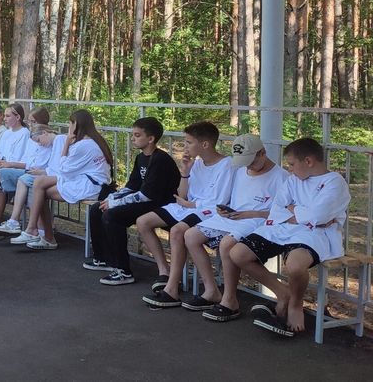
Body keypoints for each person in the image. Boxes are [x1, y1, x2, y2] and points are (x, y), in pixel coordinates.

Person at [231, 138, 351, 337]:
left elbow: (320, 216)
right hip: (284, 228)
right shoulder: (294, 179)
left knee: (294, 266)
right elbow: (278, 208)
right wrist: (304, 214)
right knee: (238, 253)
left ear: (308, 161)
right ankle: (282, 292)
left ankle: (295, 303)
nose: (289, 169)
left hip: (316, 234)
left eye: (292, 164)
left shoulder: (334, 182)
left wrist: (294, 209)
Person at [161, 135, 286, 318]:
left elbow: (281, 213)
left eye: (251, 161)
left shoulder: (281, 177)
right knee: (191, 236)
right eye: (244, 162)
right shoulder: (240, 171)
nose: (248, 166)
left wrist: (249, 214)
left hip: (257, 221)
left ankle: (230, 299)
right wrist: (223, 210)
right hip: (233, 216)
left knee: (227, 243)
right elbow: (229, 199)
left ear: (262, 153)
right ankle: (211, 290)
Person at [135, 121, 235, 293]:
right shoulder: (197, 163)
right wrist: (185, 172)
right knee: (143, 222)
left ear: (205, 144)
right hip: (187, 207)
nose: (185, 147)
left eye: (189, 142)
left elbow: (219, 200)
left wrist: (191, 204)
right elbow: (182, 195)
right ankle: (164, 270)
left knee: (177, 231)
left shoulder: (227, 165)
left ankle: (172, 286)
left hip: (208, 211)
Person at [87, 117, 180, 285]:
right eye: (133, 135)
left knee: (112, 215)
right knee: (97, 208)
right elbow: (132, 186)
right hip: (147, 202)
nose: (132, 139)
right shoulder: (140, 158)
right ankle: (103, 258)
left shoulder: (160, 159)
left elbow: (147, 195)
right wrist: (111, 198)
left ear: (150, 139)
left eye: (137, 135)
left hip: (161, 204)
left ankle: (123, 270)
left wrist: (115, 204)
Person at [10, 110, 114, 250]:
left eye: (70, 123)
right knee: (40, 184)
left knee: (40, 186)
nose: (68, 126)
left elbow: (63, 169)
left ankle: (39, 232)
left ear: (76, 124)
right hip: (87, 181)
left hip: (90, 185)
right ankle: (36, 231)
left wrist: (66, 144)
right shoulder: (93, 140)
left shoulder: (84, 145)